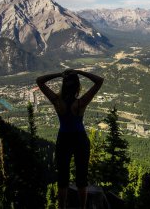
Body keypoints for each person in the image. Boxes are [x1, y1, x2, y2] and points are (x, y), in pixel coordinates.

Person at [36, 69, 104, 209]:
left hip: (64, 139)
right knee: (81, 178)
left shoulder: (57, 102)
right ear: (77, 87)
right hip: (80, 139)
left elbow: (40, 81)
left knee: (62, 179)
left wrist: (59, 74)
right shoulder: (80, 103)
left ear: (64, 85)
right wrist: (79, 71)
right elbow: (99, 81)